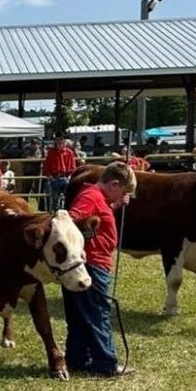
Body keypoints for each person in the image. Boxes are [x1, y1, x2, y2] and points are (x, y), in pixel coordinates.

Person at [64, 161, 136, 378]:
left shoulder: (95, 197)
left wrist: (114, 207)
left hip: (88, 264)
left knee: (79, 314)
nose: (122, 195)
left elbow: (88, 216)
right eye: (122, 191)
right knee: (98, 312)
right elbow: (70, 220)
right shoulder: (91, 197)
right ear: (114, 184)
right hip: (93, 265)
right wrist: (81, 247)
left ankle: (77, 359)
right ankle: (105, 362)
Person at [42, 132, 77, 211]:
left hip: (66, 177)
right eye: (57, 141)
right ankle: (56, 213)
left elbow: (73, 167)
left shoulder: (69, 153)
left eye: (61, 141)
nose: (59, 143)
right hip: (54, 178)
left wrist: (69, 176)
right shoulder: (51, 153)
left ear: (64, 142)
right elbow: (46, 167)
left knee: (69, 198)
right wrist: (50, 177)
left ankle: (67, 213)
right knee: (55, 200)